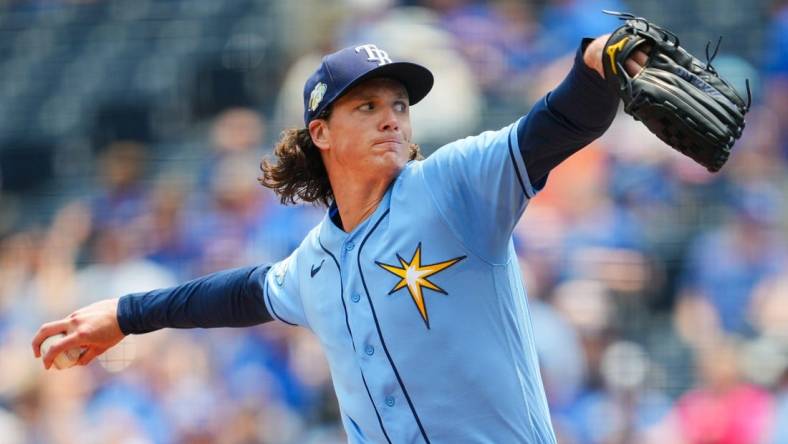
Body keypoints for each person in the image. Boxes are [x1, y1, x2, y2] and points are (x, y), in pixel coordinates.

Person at [33, 36, 648, 443]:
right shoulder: (315, 264)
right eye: (368, 105)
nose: (392, 117)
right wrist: (125, 314)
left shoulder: (453, 187)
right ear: (321, 133)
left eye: (400, 105)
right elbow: (241, 294)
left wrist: (596, 61)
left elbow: (558, 124)